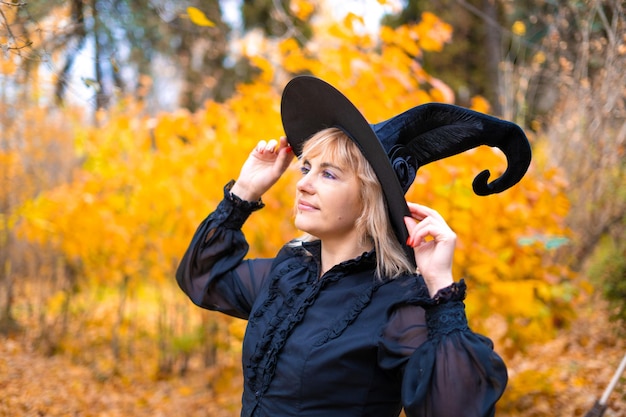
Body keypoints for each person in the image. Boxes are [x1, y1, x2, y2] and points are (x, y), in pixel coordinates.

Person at [176, 76, 532, 417]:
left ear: (369, 198)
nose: (303, 185)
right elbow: (203, 277)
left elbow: (455, 408)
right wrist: (245, 190)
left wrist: (440, 285)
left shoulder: (397, 304)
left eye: (328, 174)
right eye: (306, 169)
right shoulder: (290, 273)